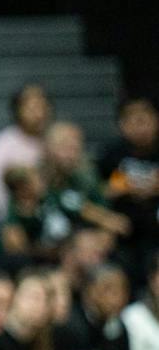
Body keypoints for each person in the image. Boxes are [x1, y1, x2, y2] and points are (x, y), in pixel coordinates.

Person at [100, 96, 159, 280]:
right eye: (133, 120)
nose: (140, 127)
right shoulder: (112, 153)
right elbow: (100, 190)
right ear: (122, 125)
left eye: (144, 119)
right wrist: (126, 186)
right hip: (123, 228)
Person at [40, 121, 129, 241]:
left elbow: (100, 203)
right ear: (48, 148)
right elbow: (62, 200)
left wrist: (105, 226)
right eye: (65, 147)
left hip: (82, 236)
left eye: (75, 148)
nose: (71, 155)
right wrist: (100, 217)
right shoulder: (36, 177)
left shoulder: (84, 175)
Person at [0, 83, 52, 221]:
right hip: (15, 217)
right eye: (32, 108)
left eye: (43, 107)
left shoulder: (53, 140)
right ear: (18, 110)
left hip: (49, 213)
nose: (39, 114)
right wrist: (6, 219)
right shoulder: (3, 143)